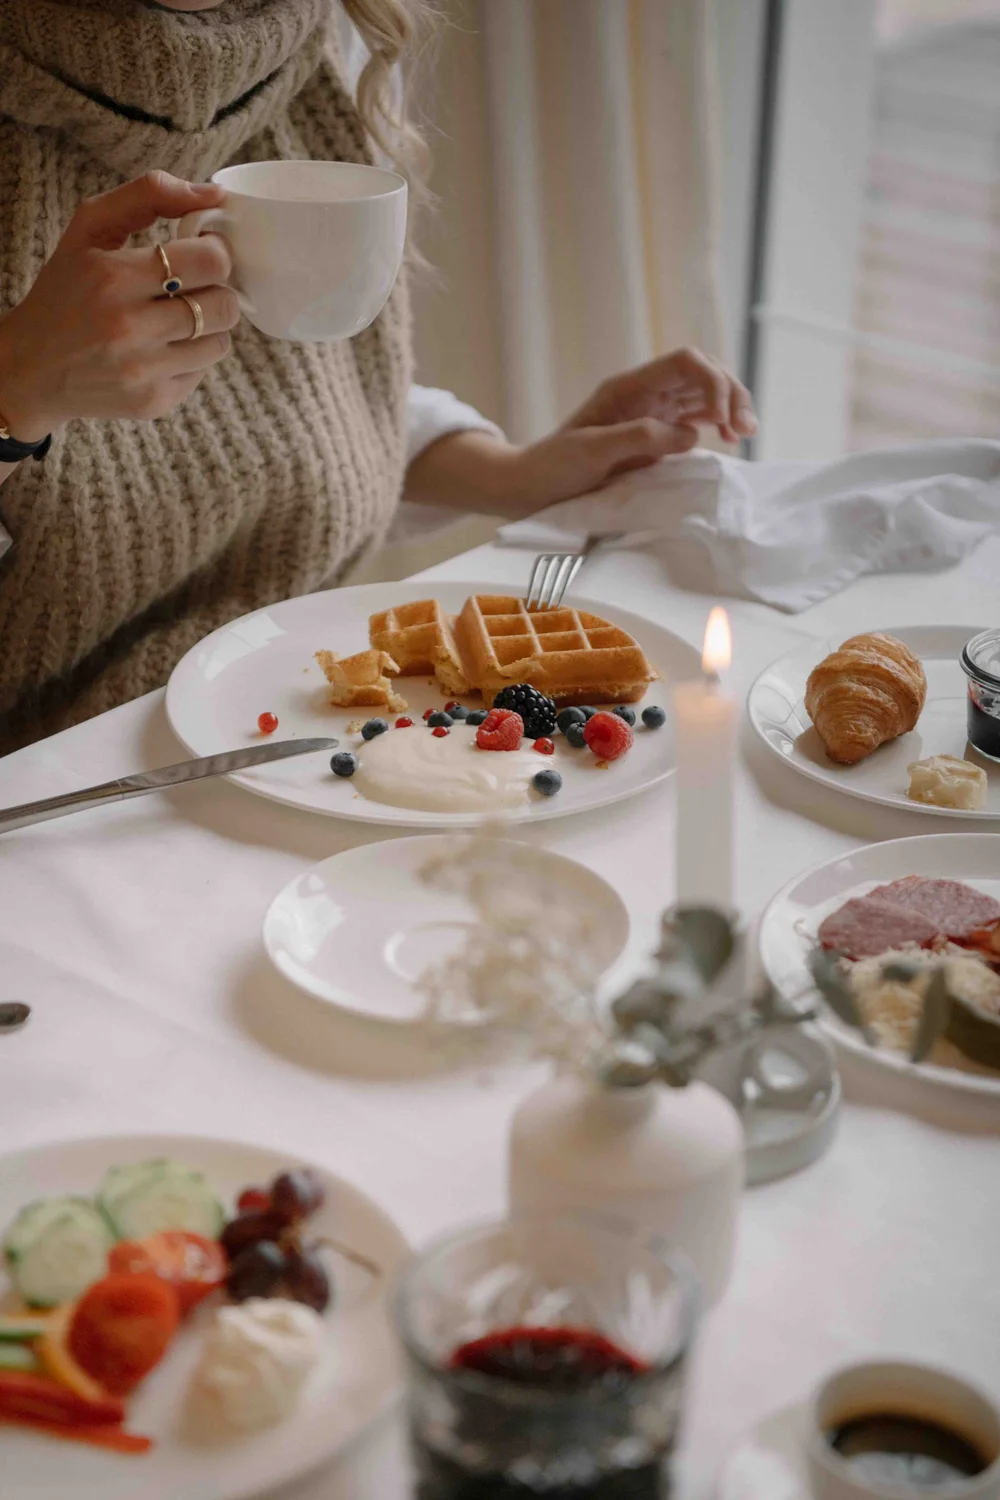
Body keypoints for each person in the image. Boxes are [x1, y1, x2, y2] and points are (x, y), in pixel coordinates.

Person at [0, 0, 756, 753]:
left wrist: (515, 476)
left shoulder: (327, 46)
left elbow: (313, 389)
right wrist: (16, 389)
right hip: (46, 785)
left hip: (284, 727)